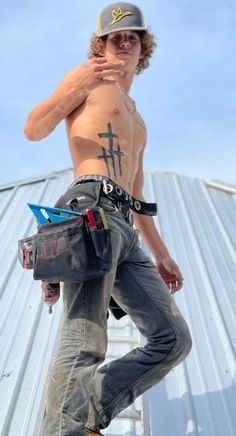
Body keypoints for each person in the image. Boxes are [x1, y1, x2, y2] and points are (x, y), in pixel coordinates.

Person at [24, 2, 192, 435]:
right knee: (85, 338)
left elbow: (137, 195)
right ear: (100, 46)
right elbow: (34, 128)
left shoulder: (138, 118)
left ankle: (87, 414)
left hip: (125, 226)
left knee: (173, 338)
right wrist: (72, 88)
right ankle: (63, 429)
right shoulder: (88, 79)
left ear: (143, 49)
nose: (123, 41)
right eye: (113, 36)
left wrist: (163, 253)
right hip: (90, 206)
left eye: (131, 36)